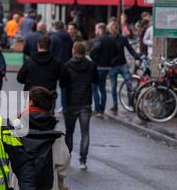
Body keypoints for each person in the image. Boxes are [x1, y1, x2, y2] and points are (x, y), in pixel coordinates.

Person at [60, 42, 98, 170]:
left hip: (71, 102)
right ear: (84, 52)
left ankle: (67, 157)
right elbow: (95, 80)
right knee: (85, 133)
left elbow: (62, 84)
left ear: (74, 51)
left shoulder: (67, 65)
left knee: (69, 132)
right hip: (85, 102)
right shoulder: (91, 65)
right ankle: (83, 160)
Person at [107, 21, 141, 113]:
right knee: (113, 86)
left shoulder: (122, 38)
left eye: (115, 28)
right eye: (111, 29)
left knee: (128, 82)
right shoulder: (107, 39)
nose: (113, 30)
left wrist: (137, 57)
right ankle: (115, 105)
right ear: (109, 30)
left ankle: (130, 103)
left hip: (122, 64)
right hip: (112, 66)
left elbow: (130, 49)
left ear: (117, 29)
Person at [90, 22, 119, 117]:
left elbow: (94, 51)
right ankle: (101, 110)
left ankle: (98, 109)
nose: (95, 31)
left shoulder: (100, 39)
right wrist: (110, 61)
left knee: (94, 88)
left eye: (96, 29)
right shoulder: (111, 39)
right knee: (102, 88)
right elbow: (117, 52)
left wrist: (94, 58)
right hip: (107, 67)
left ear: (100, 29)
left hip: (98, 67)